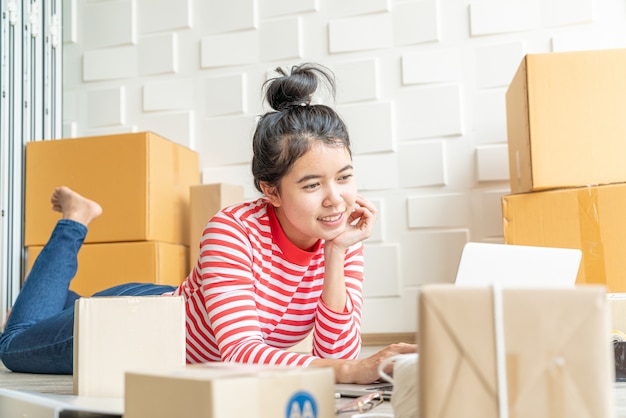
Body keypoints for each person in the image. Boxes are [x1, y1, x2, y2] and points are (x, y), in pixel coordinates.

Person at [0, 63, 416, 383]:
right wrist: (351, 371)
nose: (336, 199)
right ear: (269, 190)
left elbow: (336, 352)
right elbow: (240, 353)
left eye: (344, 177)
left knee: (45, 319)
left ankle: (63, 302)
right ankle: (76, 219)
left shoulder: (342, 234)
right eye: (312, 185)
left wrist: (338, 252)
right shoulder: (231, 230)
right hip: (136, 326)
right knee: (15, 344)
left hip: (184, 306)